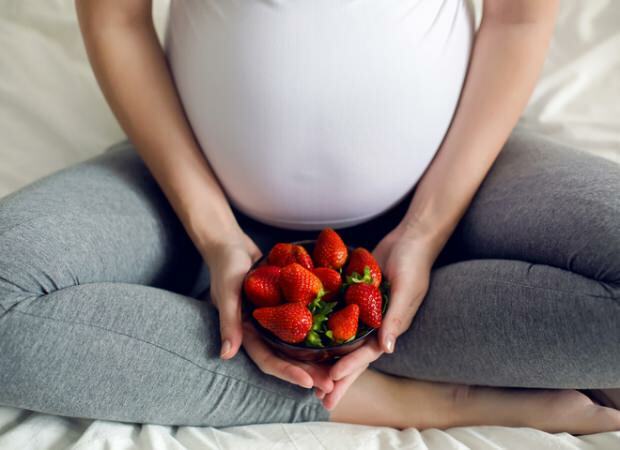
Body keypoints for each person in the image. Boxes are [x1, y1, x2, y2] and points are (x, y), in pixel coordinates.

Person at [0, 0, 619, 434]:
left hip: (457, 180)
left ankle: (347, 347)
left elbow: (519, 16)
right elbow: (115, 17)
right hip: (188, 194)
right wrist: (214, 234)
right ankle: (412, 397)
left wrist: (426, 232)